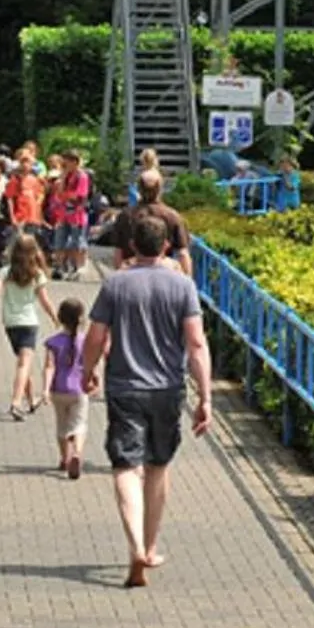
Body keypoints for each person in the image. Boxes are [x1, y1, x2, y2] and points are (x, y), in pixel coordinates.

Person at [83, 211, 213, 588]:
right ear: (167, 247)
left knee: (126, 467)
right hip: (168, 389)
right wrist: (205, 396)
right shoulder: (182, 286)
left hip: (124, 387)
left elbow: (95, 337)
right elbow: (196, 343)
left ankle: (135, 546)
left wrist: (86, 370)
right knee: (158, 466)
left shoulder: (115, 285)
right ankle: (152, 546)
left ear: (131, 247)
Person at [0, 233, 58, 420]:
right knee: (24, 364)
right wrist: (55, 317)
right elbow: (45, 301)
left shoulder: (6, 272)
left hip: (10, 324)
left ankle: (31, 400)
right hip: (29, 323)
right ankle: (16, 403)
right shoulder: (37, 274)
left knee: (23, 362)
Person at [42, 298, 92, 479]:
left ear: (61, 318)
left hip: (58, 390)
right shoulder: (84, 341)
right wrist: (94, 378)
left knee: (62, 426)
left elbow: (49, 366)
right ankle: (77, 453)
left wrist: (46, 389)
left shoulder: (53, 342)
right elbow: (89, 363)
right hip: (79, 390)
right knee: (79, 425)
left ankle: (65, 458)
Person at [133, 170, 193, 276]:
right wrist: (187, 282)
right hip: (164, 274)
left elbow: (118, 254)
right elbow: (183, 254)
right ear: (160, 189)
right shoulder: (173, 216)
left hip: (132, 273)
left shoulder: (127, 216)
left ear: (139, 189)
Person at [53, 151, 94, 282]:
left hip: (76, 214)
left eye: (68, 161)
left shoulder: (82, 176)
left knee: (76, 242)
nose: (65, 164)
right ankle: (59, 267)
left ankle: (76, 268)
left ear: (75, 162)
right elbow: (59, 193)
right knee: (60, 240)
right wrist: (63, 178)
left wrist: (66, 194)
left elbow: (79, 196)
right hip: (63, 213)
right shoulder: (67, 176)